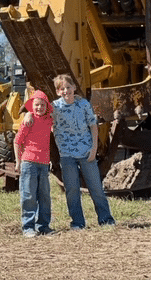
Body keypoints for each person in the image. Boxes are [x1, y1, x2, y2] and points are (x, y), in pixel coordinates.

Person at [52, 74, 115, 229]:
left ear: (74, 87)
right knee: (72, 190)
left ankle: (106, 219)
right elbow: (40, 114)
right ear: (58, 91)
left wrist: (94, 148)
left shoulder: (84, 104)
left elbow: (93, 126)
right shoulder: (55, 107)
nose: (66, 91)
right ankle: (78, 222)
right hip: (67, 154)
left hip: (86, 152)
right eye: (62, 89)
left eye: (68, 87)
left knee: (95, 187)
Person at [14, 89, 54, 238]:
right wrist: (18, 162)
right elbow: (17, 141)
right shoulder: (28, 120)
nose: (39, 108)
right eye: (36, 105)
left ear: (46, 107)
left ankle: (43, 226)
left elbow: (57, 112)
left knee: (44, 196)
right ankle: (28, 227)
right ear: (32, 106)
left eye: (42, 105)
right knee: (29, 195)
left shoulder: (48, 120)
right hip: (29, 162)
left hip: (44, 164)